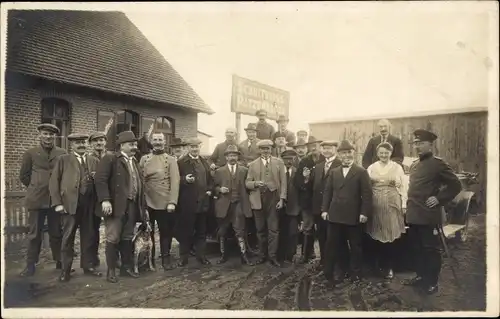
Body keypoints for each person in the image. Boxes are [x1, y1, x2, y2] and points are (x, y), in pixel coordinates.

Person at [402, 129, 461, 294]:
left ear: (430, 144)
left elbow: (456, 185)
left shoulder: (438, 164)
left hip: (428, 215)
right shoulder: (414, 164)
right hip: (414, 214)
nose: (417, 147)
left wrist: (439, 198)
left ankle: (432, 282)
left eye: (421, 143)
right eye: (415, 144)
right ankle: (421, 276)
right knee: (416, 248)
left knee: (430, 250)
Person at [94, 131, 150, 283]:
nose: (135, 147)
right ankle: (111, 271)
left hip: (132, 206)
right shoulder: (111, 159)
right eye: (131, 144)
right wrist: (105, 200)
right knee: (113, 238)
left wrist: (142, 208)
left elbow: (141, 186)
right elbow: (100, 180)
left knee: (127, 237)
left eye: (135, 144)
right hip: (116, 206)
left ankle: (126, 268)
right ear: (121, 145)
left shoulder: (135, 162)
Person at [49, 133, 102, 281]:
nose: (81, 145)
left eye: (83, 142)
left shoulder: (94, 160)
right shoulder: (63, 160)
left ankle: (88, 266)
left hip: (89, 205)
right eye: (77, 143)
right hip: (70, 205)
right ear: (71, 145)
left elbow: (100, 182)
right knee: (68, 238)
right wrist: (58, 203)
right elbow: (54, 183)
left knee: (89, 236)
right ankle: (65, 270)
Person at [321, 140, 373, 288]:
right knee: (334, 244)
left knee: (355, 245)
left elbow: (367, 194)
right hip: (335, 214)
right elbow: (327, 192)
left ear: (353, 154)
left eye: (349, 152)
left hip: (354, 215)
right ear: (339, 154)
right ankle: (336, 271)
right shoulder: (334, 172)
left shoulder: (361, 171)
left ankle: (356, 273)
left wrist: (364, 212)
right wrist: (324, 209)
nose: (347, 156)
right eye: (343, 153)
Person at [19, 123, 66, 277]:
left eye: (51, 135)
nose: (48, 137)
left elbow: (65, 175)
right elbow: (24, 176)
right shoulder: (31, 153)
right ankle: (30, 265)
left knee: (56, 232)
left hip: (55, 200)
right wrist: (36, 186)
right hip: (36, 200)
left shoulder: (62, 153)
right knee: (34, 234)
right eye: (45, 134)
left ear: (55, 137)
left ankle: (61, 262)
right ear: (39, 135)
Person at [298, 141, 343, 268]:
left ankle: (335, 262)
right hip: (318, 207)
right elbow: (310, 186)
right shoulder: (318, 166)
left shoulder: (340, 164)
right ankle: (324, 261)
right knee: (322, 235)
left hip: (334, 206)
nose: (326, 151)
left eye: (329, 148)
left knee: (334, 236)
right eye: (324, 148)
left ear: (335, 149)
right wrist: (306, 178)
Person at [139, 132, 180, 271]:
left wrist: (172, 202)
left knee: (165, 232)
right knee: (147, 232)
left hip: (164, 202)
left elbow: (175, 182)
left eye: (160, 140)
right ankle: (149, 261)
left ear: (164, 142)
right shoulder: (144, 159)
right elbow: (140, 181)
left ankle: (165, 259)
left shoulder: (171, 159)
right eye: (155, 140)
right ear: (151, 141)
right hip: (147, 201)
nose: (157, 142)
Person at [365, 142, 406, 280]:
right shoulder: (371, 167)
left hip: (391, 205)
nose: (384, 155)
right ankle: (376, 265)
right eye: (381, 153)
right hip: (375, 204)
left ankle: (389, 266)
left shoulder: (397, 167)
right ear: (377, 153)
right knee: (375, 233)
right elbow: (366, 187)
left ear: (391, 153)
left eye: (386, 153)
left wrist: (404, 203)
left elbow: (403, 187)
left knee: (390, 235)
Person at [245, 139, 287, 267]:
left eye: (268, 148)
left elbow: (283, 182)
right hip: (258, 199)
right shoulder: (252, 165)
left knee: (273, 230)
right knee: (260, 229)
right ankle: (262, 255)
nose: (265, 151)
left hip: (273, 198)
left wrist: (282, 199)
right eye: (263, 149)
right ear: (259, 150)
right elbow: (247, 183)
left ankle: (272, 257)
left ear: (271, 149)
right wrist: (256, 183)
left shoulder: (279, 163)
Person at [213, 145, 254, 265]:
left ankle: (244, 256)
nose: (232, 158)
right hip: (224, 205)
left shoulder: (244, 170)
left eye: (235, 155)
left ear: (238, 157)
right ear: (226, 157)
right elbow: (213, 187)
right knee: (223, 231)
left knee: (240, 230)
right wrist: (220, 190)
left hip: (239, 204)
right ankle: (223, 255)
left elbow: (249, 187)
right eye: (230, 155)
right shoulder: (219, 171)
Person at [176, 137, 213, 267]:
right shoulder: (181, 163)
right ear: (188, 148)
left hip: (203, 203)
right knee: (186, 231)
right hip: (188, 203)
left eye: (197, 146)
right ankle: (183, 258)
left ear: (200, 147)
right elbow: (175, 180)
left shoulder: (204, 162)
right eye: (192, 147)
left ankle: (201, 256)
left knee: (201, 232)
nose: (195, 149)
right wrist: (184, 179)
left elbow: (210, 180)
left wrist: (209, 190)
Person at [88, 131, 115, 268]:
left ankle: (114, 259)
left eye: (101, 140)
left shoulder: (112, 157)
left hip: (110, 198)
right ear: (91, 144)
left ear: (105, 142)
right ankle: (93, 258)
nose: (99, 143)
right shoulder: (88, 159)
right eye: (95, 141)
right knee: (92, 230)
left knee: (114, 229)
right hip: (93, 199)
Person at [277, 149, 301, 265]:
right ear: (282, 160)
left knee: (292, 232)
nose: (288, 162)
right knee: (280, 232)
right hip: (279, 208)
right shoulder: (277, 172)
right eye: (286, 159)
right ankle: (280, 255)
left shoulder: (298, 173)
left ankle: (291, 255)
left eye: (291, 159)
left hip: (294, 208)